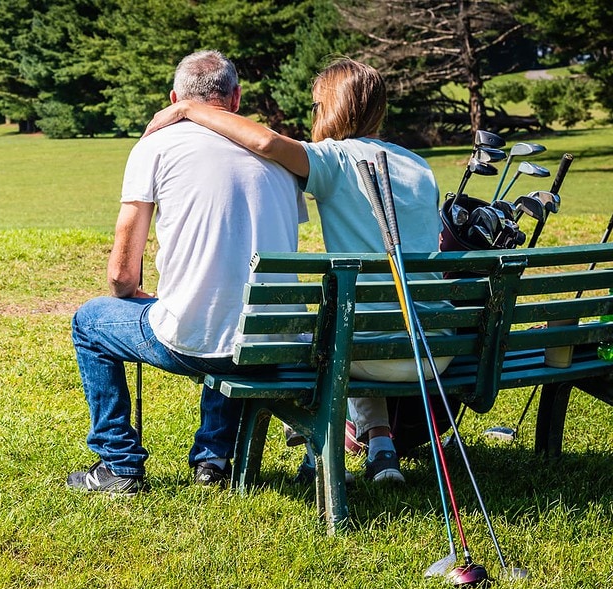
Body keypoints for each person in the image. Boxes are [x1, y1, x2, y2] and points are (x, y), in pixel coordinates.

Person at [144, 57, 451, 484]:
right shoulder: (419, 165)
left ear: (329, 110)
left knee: (328, 330)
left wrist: (190, 109)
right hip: (435, 348)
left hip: (368, 351)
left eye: (315, 107)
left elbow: (268, 145)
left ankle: (318, 449)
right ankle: (381, 447)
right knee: (360, 318)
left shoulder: (333, 161)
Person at [66, 50, 307, 495]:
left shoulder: (155, 145)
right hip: (272, 341)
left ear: (175, 98)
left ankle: (118, 464)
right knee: (229, 310)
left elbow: (121, 276)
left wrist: (136, 293)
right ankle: (213, 460)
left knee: (90, 322)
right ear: (235, 99)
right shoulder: (282, 158)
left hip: (198, 341)